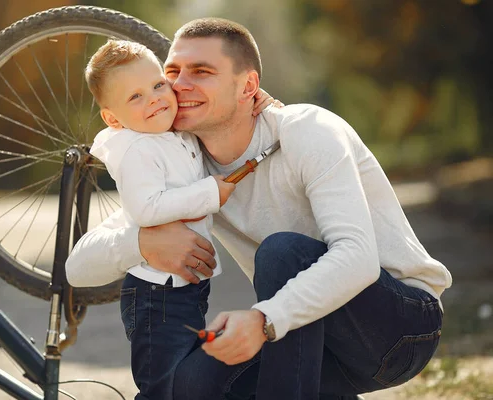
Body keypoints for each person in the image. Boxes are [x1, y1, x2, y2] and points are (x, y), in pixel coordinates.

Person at [67, 18, 453, 400]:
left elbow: (358, 259)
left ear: (248, 85)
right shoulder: (190, 169)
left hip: (399, 329)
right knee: (188, 386)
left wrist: (263, 320)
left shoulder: (307, 129)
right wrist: (143, 242)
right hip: (308, 336)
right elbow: (78, 267)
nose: (180, 85)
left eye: (201, 72)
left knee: (283, 253)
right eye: (172, 72)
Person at [80, 39, 275, 400]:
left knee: (185, 379)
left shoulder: (175, 133)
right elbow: (146, 209)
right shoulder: (136, 149)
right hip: (156, 295)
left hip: (185, 288)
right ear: (113, 119)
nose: (154, 98)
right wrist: (208, 194)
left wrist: (260, 108)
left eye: (157, 85)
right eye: (135, 97)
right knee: (164, 385)